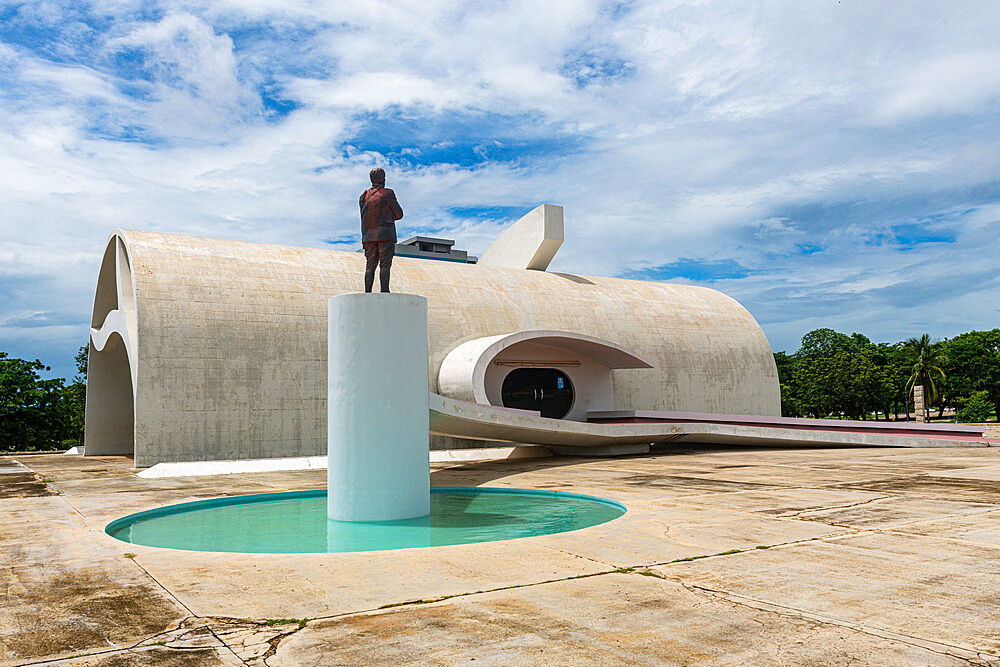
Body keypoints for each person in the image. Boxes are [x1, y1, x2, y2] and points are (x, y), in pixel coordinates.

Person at [359, 167, 404, 293]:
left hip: (368, 236)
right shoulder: (388, 193)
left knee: (370, 266)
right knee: (385, 264)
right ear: (383, 179)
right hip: (385, 234)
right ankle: (384, 291)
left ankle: (368, 292)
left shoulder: (363, 196)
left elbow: (363, 217)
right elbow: (399, 214)